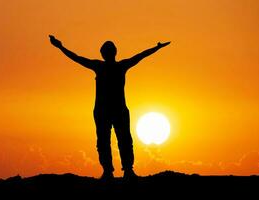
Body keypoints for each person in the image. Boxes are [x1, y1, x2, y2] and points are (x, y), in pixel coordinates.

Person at [49, 35, 170, 180]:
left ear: (104, 54)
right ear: (114, 53)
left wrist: (61, 47)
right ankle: (118, 170)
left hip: (109, 110)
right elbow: (140, 56)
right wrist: (156, 48)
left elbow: (77, 58)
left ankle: (118, 170)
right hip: (109, 110)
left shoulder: (103, 66)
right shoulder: (117, 66)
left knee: (113, 140)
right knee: (114, 140)